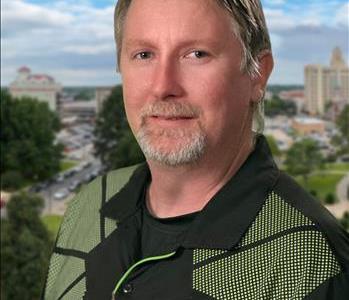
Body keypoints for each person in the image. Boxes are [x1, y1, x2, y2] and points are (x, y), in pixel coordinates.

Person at [42, 0, 349, 299]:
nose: (163, 86)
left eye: (196, 54)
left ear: (258, 74)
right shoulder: (89, 204)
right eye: (144, 54)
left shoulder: (307, 262)